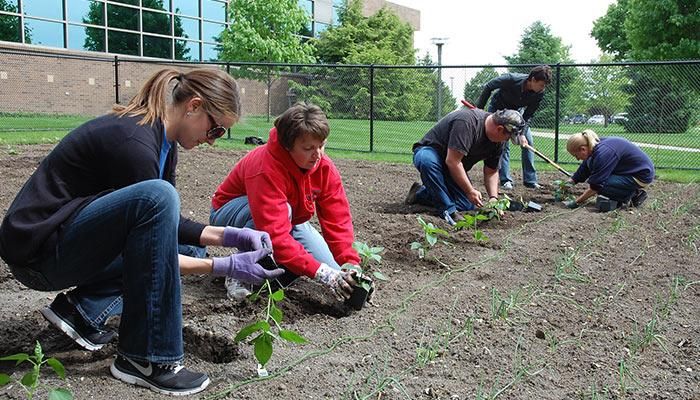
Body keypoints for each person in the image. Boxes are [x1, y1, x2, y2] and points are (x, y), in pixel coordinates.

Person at [0, 68, 284, 396]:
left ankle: (82, 312)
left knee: (188, 242)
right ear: (194, 106)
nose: (212, 139)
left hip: (64, 242)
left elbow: (166, 226)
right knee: (159, 197)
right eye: (216, 128)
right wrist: (224, 266)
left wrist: (229, 235)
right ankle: (146, 357)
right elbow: (152, 248)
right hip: (39, 254)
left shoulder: (164, 143)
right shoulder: (134, 144)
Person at [210, 102, 361, 302]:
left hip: (288, 220)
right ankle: (240, 271)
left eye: (321, 146)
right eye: (308, 148)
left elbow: (338, 221)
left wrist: (350, 265)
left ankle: (273, 264)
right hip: (230, 214)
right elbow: (273, 232)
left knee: (333, 270)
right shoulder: (265, 167)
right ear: (288, 145)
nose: (318, 155)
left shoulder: (323, 167)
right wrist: (319, 272)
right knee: (315, 265)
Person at [404, 108, 526, 226]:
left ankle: (419, 193)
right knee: (427, 162)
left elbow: (491, 172)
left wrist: (493, 198)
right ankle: (448, 211)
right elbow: (453, 161)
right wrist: (470, 191)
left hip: (451, 166)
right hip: (431, 152)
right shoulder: (467, 123)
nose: (507, 141)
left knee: (466, 205)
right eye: (508, 137)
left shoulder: (498, 143)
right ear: (499, 129)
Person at [475, 65, 552, 190]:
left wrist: (522, 134)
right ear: (532, 79)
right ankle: (506, 180)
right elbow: (489, 86)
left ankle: (530, 180)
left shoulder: (539, 94)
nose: (543, 88)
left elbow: (528, 115)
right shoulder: (511, 79)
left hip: (517, 115)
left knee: (528, 143)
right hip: (498, 111)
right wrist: (479, 110)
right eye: (542, 85)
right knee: (503, 144)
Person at [563, 129, 654, 210]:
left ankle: (634, 194)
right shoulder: (593, 146)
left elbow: (595, 186)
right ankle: (624, 192)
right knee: (594, 172)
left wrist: (576, 202)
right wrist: (567, 184)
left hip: (640, 175)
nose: (577, 159)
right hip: (627, 170)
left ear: (583, 149)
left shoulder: (603, 153)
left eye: (576, 155)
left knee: (603, 186)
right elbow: (584, 169)